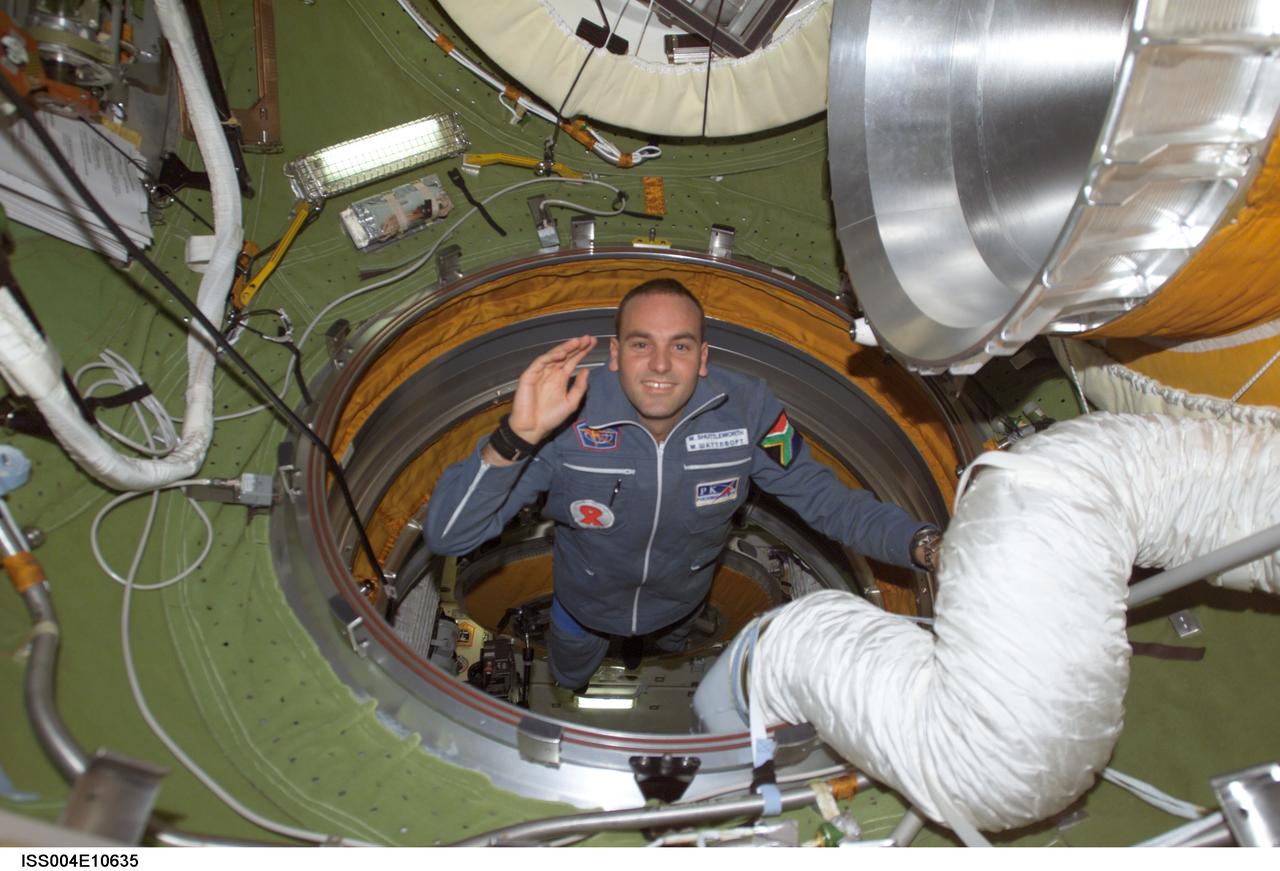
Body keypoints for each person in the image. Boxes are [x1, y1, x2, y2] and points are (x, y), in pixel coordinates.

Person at [425, 279, 942, 691]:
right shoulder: (564, 420)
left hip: (681, 607)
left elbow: (828, 502)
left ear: (702, 357)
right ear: (614, 353)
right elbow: (449, 537)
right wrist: (515, 438)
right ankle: (573, 686)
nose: (659, 365)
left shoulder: (750, 412)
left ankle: (660, 643)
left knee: (673, 642)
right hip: (580, 609)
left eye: (680, 345)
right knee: (569, 675)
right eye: (640, 344)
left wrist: (924, 545)